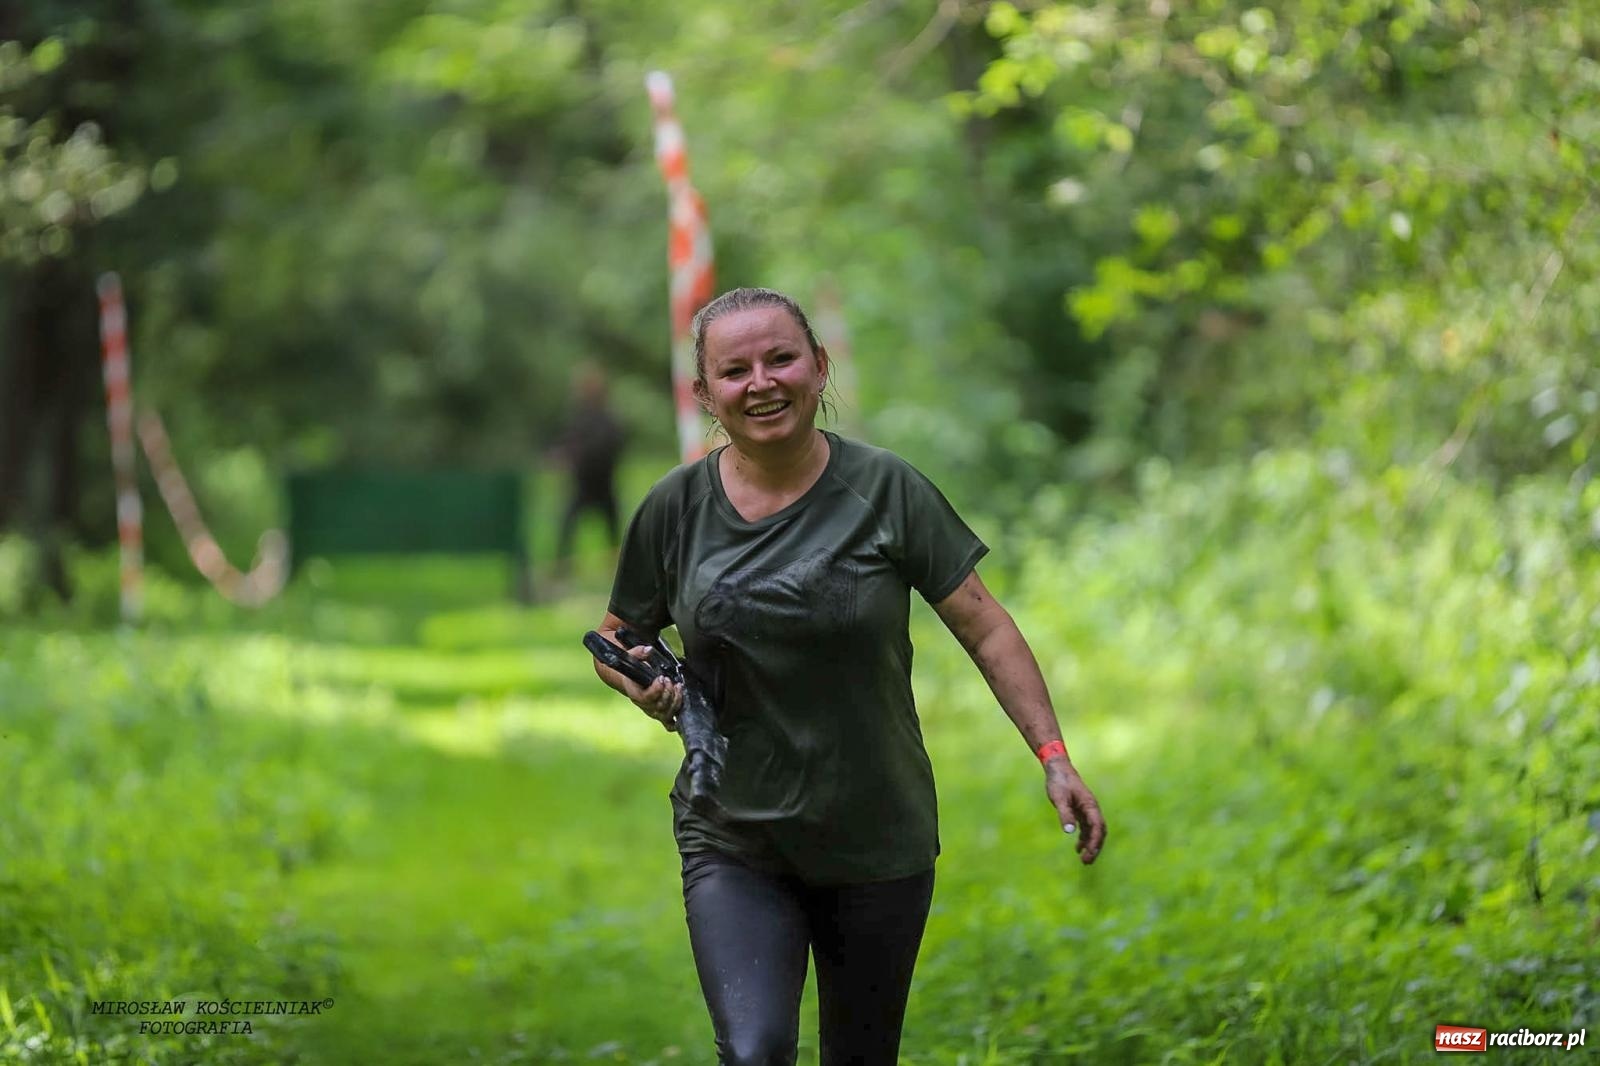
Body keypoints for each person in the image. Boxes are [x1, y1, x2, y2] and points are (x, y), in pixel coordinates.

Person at [591, 287, 1105, 1066]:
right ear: (704, 395)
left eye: (781, 358)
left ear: (819, 366)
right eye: (735, 370)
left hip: (877, 835)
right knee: (756, 1052)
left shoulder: (887, 490)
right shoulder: (675, 508)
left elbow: (986, 625)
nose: (761, 382)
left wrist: (1053, 755)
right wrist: (645, 686)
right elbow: (618, 634)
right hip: (734, 831)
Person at [552, 364, 627, 573]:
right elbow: (570, 444)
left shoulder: (607, 420)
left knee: (612, 529)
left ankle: (617, 568)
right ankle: (561, 568)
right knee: (568, 526)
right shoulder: (580, 419)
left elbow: (614, 446)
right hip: (583, 484)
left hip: (602, 482)